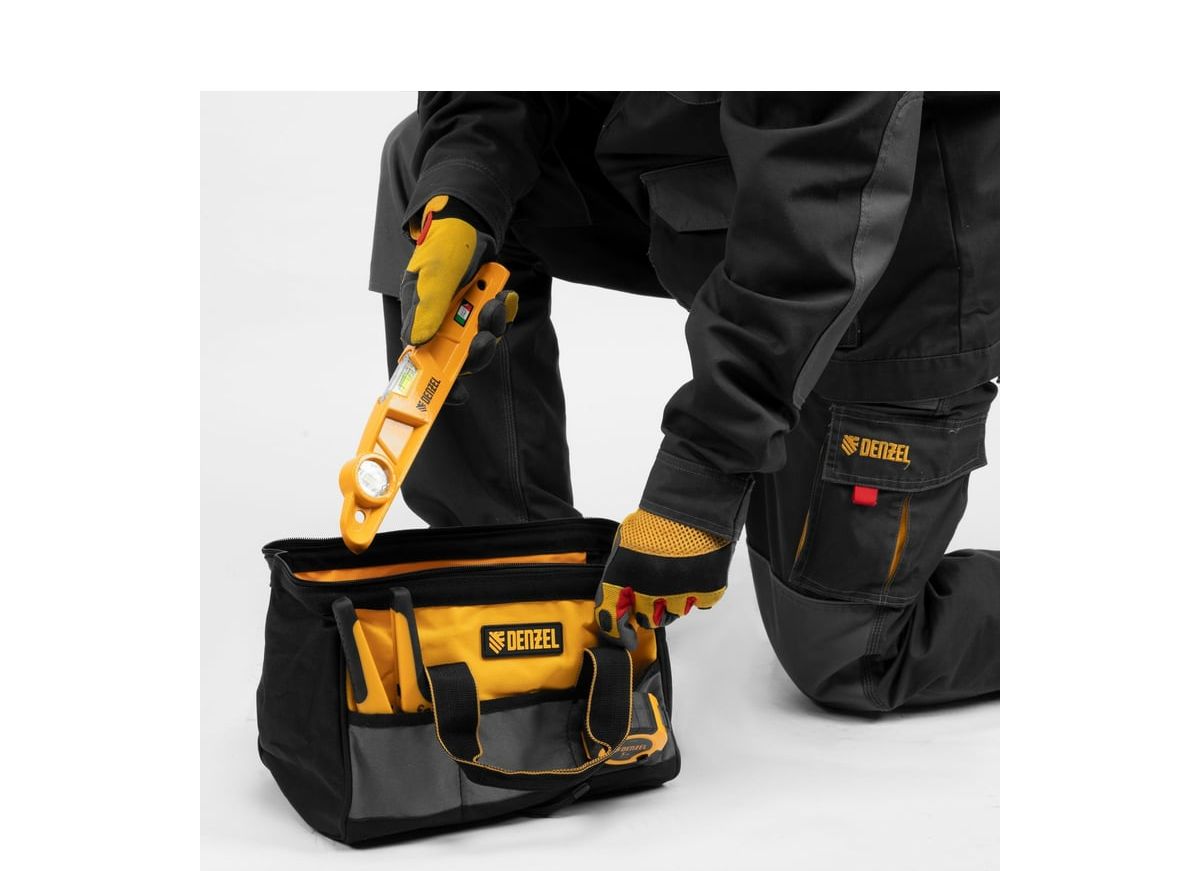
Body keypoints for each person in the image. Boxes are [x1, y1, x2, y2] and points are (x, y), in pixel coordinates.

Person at [369, 92, 999, 713]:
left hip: (900, 232)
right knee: (436, 167)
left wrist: (699, 486)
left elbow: (822, 193)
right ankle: (524, 575)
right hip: (729, 175)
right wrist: (462, 194)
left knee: (853, 653)